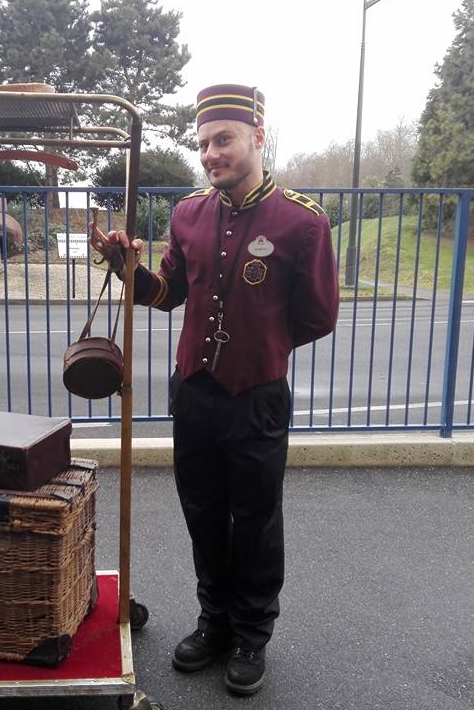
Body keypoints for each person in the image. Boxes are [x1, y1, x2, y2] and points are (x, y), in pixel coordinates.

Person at [90, 83, 339, 696]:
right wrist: (126, 266)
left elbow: (319, 315)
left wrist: (263, 347)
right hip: (194, 393)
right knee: (202, 511)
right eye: (202, 144)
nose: (209, 154)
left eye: (222, 140)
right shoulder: (189, 215)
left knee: (255, 518)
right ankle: (215, 621)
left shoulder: (302, 221)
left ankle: (253, 633)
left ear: (258, 137)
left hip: (256, 396)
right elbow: (168, 293)